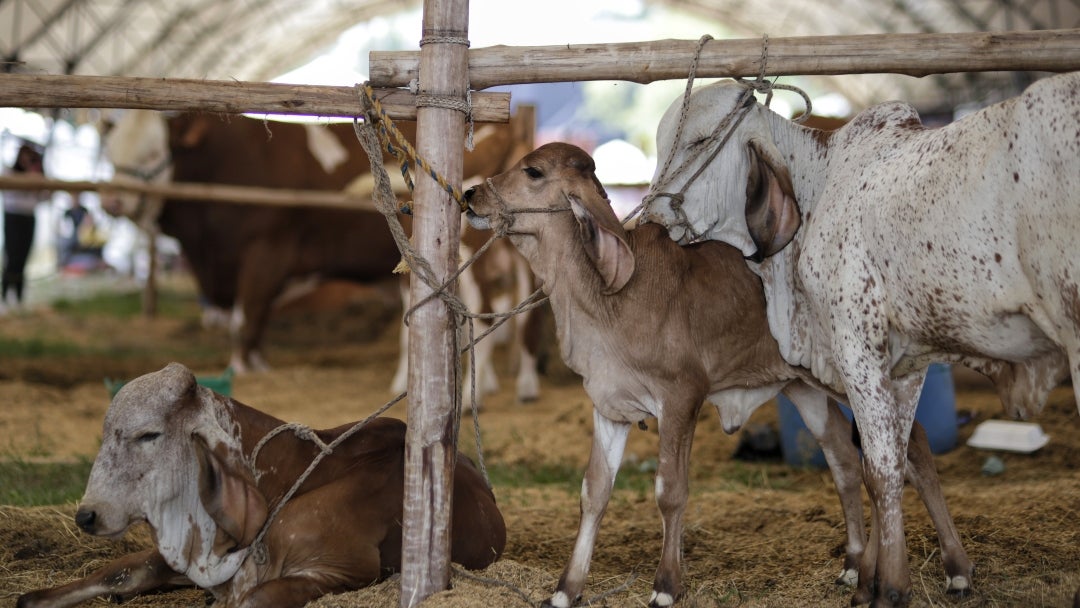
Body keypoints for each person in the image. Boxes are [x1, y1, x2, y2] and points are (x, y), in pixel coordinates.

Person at [2, 141, 48, 310]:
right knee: (12, 256)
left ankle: (19, 298)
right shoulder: (9, 172)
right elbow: (9, 194)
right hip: (13, 216)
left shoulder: (37, 174)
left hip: (29, 217)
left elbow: (44, 197)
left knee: (23, 257)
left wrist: (36, 179)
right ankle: (6, 295)